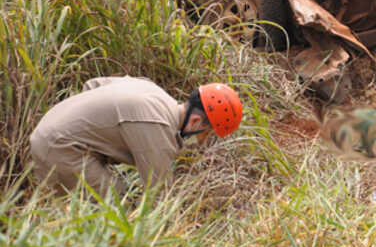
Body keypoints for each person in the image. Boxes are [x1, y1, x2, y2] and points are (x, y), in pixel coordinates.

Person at [29, 76, 242, 195]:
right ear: (195, 122)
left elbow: (92, 85)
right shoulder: (159, 129)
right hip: (59, 147)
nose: (202, 142)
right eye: (206, 134)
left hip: (50, 127)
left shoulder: (152, 90)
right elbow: (160, 198)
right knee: (118, 204)